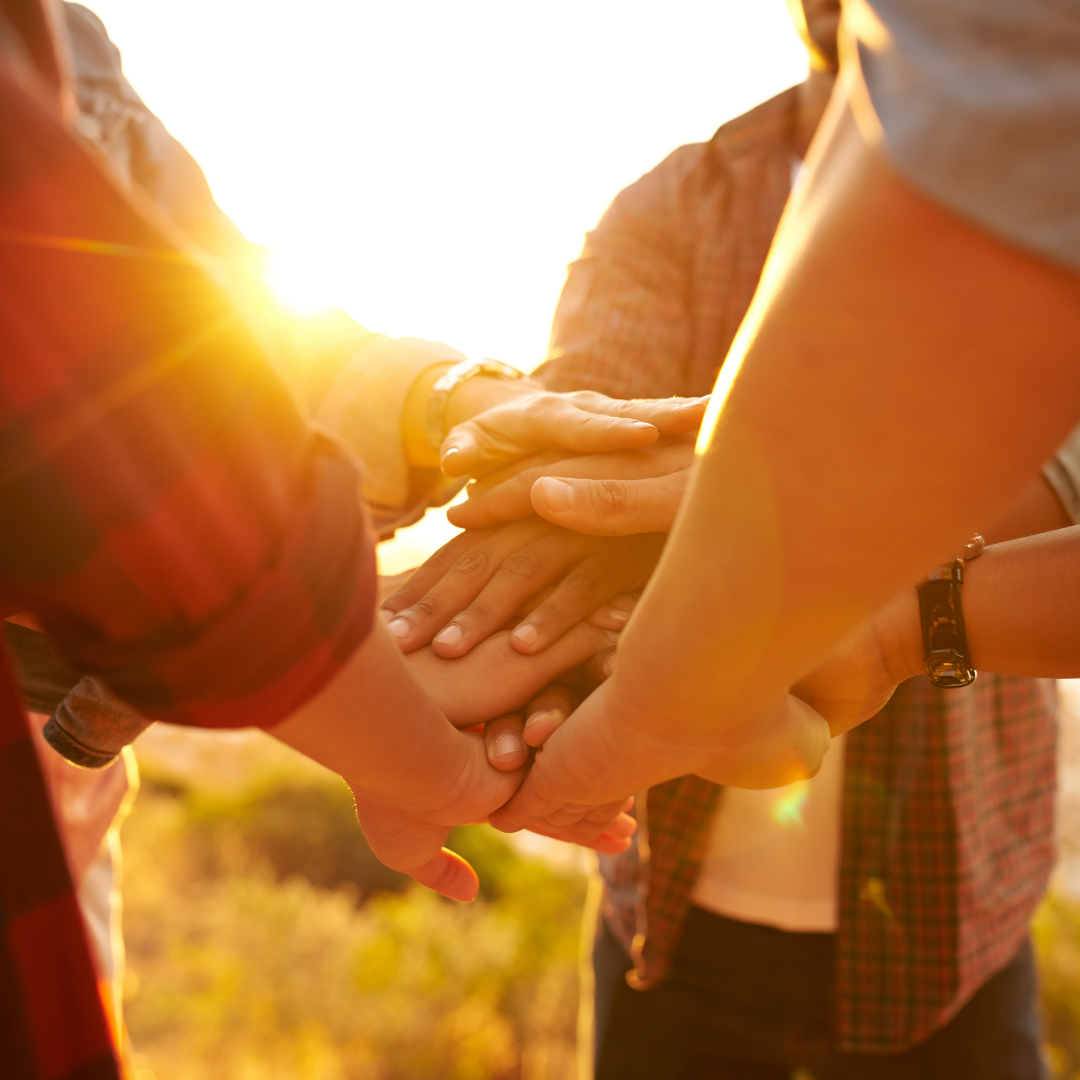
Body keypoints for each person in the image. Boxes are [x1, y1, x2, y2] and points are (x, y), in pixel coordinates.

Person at [385, 2, 1079, 1073]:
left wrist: (714, 506)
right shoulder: (675, 206)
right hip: (673, 917)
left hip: (957, 914)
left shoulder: (1033, 160)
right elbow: (592, 430)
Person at [0, 2, 682, 1073]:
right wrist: (406, 740)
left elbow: (219, 327)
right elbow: (110, 443)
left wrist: (449, 403)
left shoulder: (67, 38)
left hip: (59, 806)